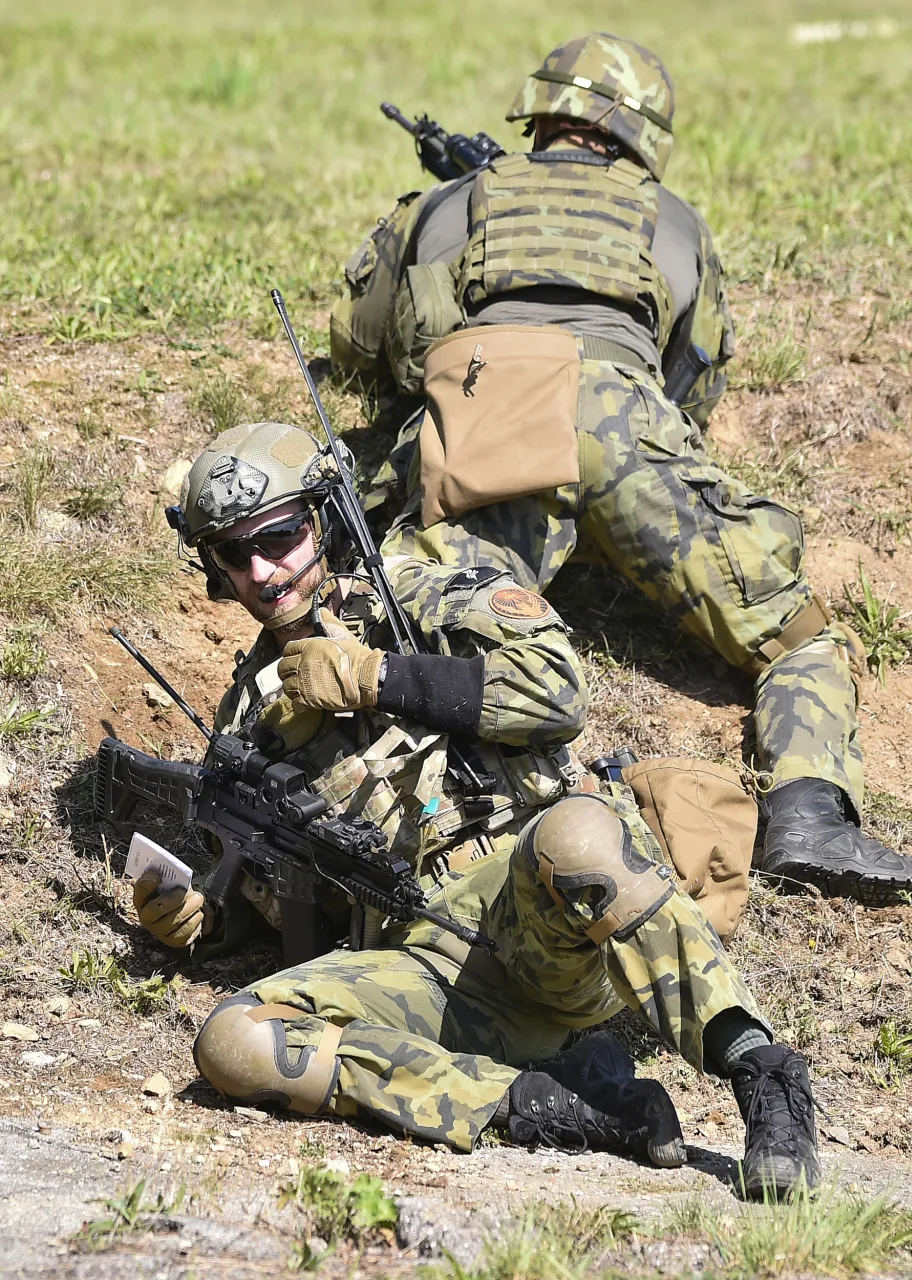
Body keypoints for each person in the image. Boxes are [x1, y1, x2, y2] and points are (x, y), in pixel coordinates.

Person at [327, 31, 912, 907]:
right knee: (795, 634)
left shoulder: (447, 204)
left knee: (414, 613)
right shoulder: (676, 222)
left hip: (491, 413)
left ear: (539, 112)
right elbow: (694, 385)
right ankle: (809, 815)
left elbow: (365, 345)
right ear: (644, 136)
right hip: (628, 421)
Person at [133, 420, 821, 1198]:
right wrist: (210, 920)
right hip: (424, 967)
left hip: (544, 921)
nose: (263, 570)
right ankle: (545, 1103)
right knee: (234, 1039)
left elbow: (556, 691)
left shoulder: (423, 590)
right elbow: (291, 899)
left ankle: (764, 1075)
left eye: (281, 536)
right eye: (235, 553)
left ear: (324, 517)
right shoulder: (247, 718)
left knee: (579, 834)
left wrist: (379, 678)